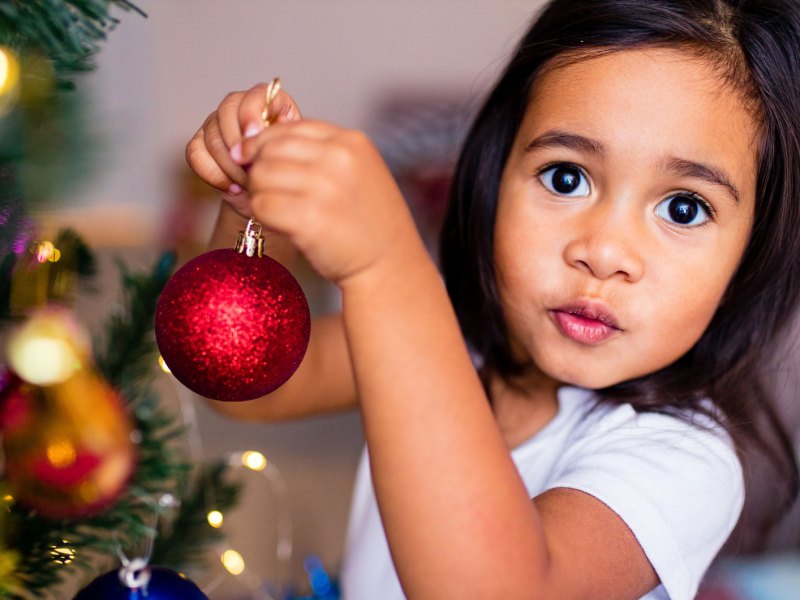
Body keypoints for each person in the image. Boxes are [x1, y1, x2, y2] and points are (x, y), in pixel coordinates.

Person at [184, 0, 800, 598]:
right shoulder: (459, 331)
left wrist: (388, 269)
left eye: (683, 208)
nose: (604, 252)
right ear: (493, 174)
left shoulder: (686, 459)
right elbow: (246, 385)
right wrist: (255, 213)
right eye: (567, 177)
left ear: (750, 254)